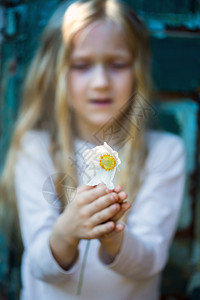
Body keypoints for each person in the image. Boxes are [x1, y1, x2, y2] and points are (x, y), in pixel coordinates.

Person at [0, 0, 186, 299]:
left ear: (137, 69)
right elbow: (39, 264)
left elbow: (150, 260)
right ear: (56, 72)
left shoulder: (165, 152)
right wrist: (68, 230)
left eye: (117, 64)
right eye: (82, 66)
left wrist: (113, 236)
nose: (100, 83)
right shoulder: (35, 148)